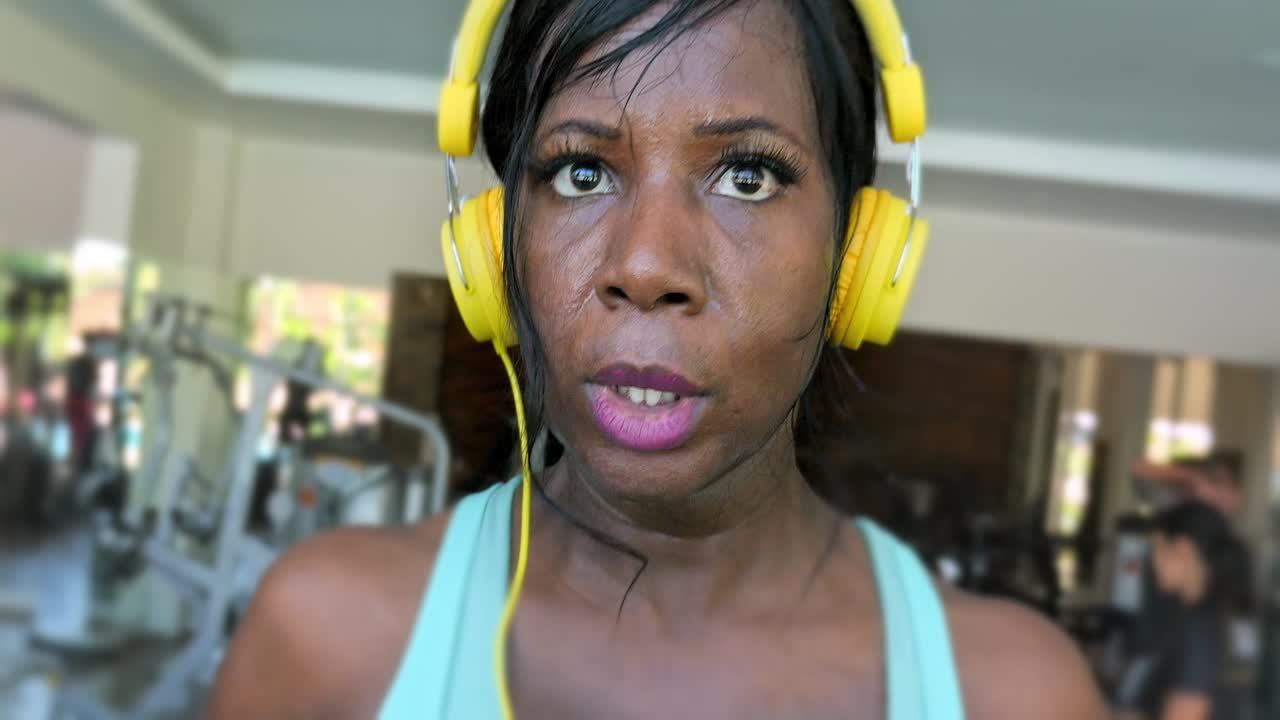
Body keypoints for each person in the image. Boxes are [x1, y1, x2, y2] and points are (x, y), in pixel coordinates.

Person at [210, 1, 1105, 717]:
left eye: (748, 176)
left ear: (857, 253)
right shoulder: (326, 637)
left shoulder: (1015, 694)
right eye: (581, 173)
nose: (645, 266)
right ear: (494, 247)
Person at [1119, 501, 1243, 720]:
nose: (1152, 561)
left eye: (1156, 549)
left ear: (1183, 549)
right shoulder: (1224, 617)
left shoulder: (1199, 632)